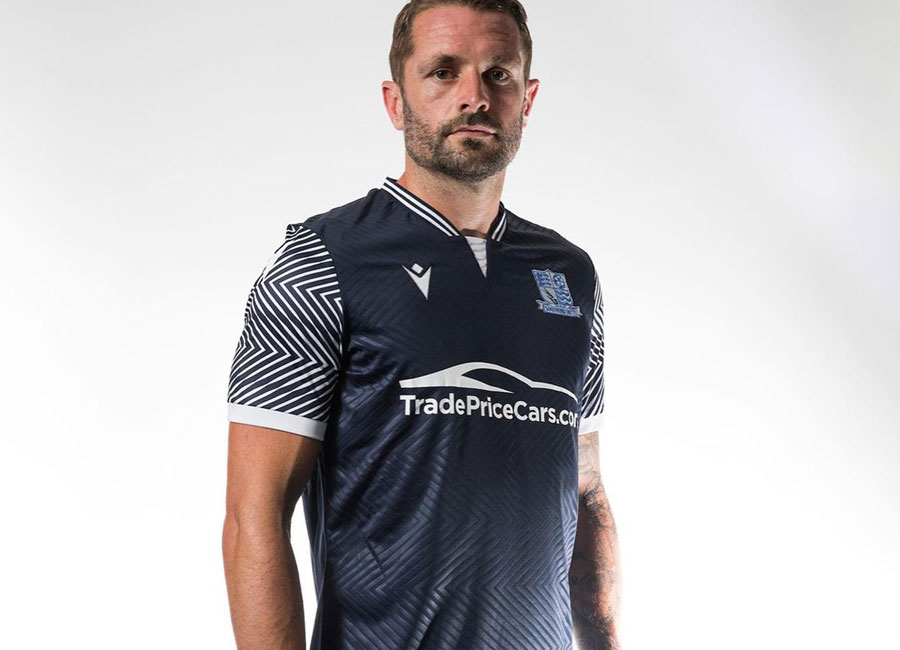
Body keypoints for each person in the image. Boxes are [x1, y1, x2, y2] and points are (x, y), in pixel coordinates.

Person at [221, 1, 620, 648]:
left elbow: (587, 490)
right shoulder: (322, 260)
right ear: (395, 102)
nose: (474, 96)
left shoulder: (570, 274)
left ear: (527, 98)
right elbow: (253, 516)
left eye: (498, 74)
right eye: (443, 71)